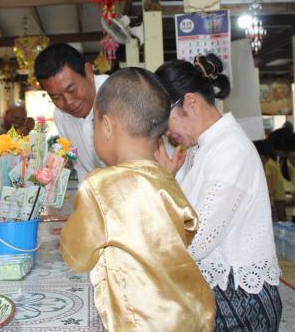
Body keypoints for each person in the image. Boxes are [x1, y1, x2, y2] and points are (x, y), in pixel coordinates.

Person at [60, 68, 215, 332]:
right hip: (194, 313)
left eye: (94, 125)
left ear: (107, 126)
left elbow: (77, 257)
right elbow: (187, 230)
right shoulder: (166, 180)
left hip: (141, 323)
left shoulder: (100, 186)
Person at [154, 54, 281, 331]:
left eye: (166, 121)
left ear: (190, 102)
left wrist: (163, 185)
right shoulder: (200, 149)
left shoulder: (230, 150)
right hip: (218, 293)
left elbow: (195, 241)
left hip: (242, 302)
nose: (165, 133)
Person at [34, 43, 109, 182]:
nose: (68, 102)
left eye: (72, 90)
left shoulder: (119, 95)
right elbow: (80, 165)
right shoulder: (61, 116)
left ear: (88, 71)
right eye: (56, 97)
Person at [254, 139, 287, 221]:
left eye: (265, 159)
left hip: (269, 219)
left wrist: (283, 225)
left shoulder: (273, 170)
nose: (264, 165)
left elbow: (279, 202)